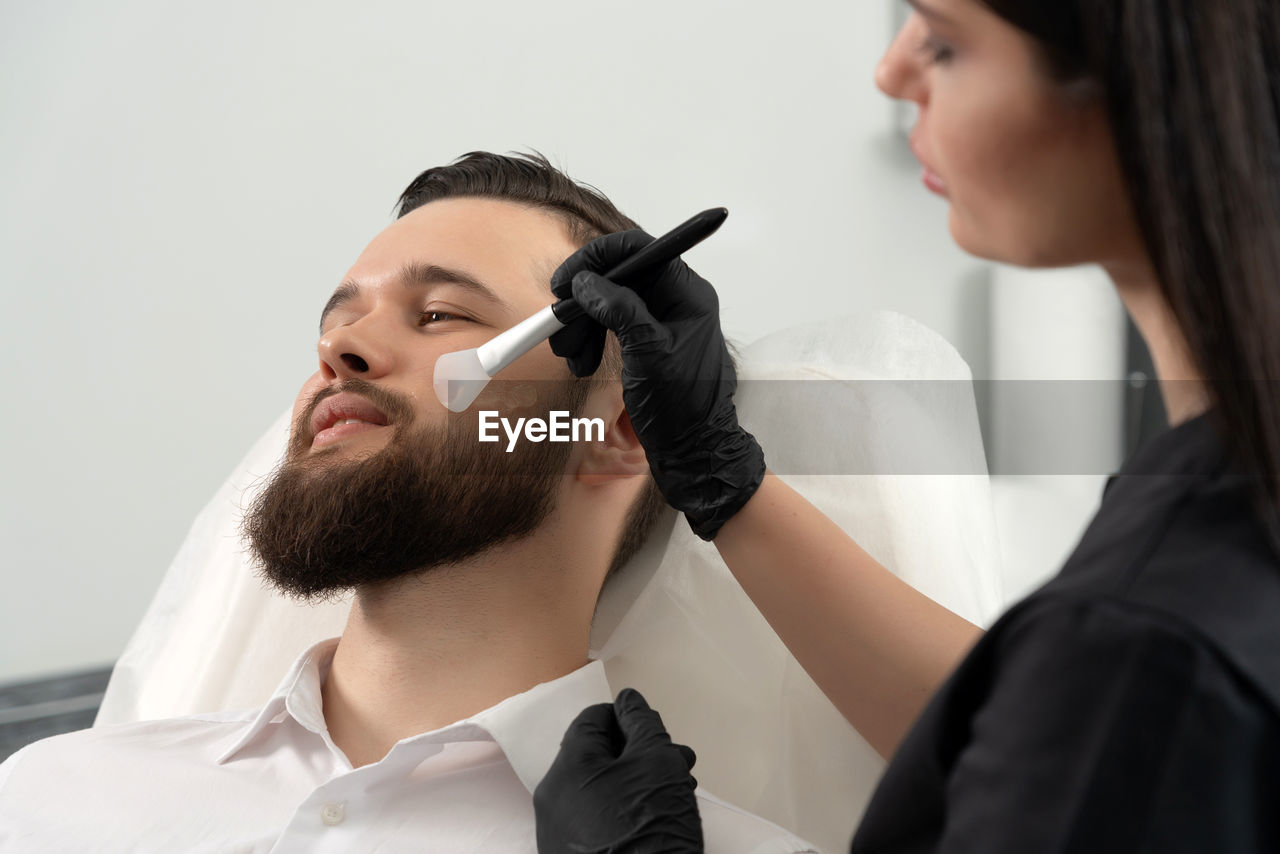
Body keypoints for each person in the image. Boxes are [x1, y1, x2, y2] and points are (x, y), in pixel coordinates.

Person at [533, 1, 1280, 851]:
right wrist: (718, 473)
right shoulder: (1198, 551)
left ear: (1147, 83)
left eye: (946, 42)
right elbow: (1050, 737)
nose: (891, 74)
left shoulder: (1151, 642)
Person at [0, 152, 817, 854]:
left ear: (618, 435)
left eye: (438, 315)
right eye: (338, 322)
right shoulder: (56, 798)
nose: (336, 350)